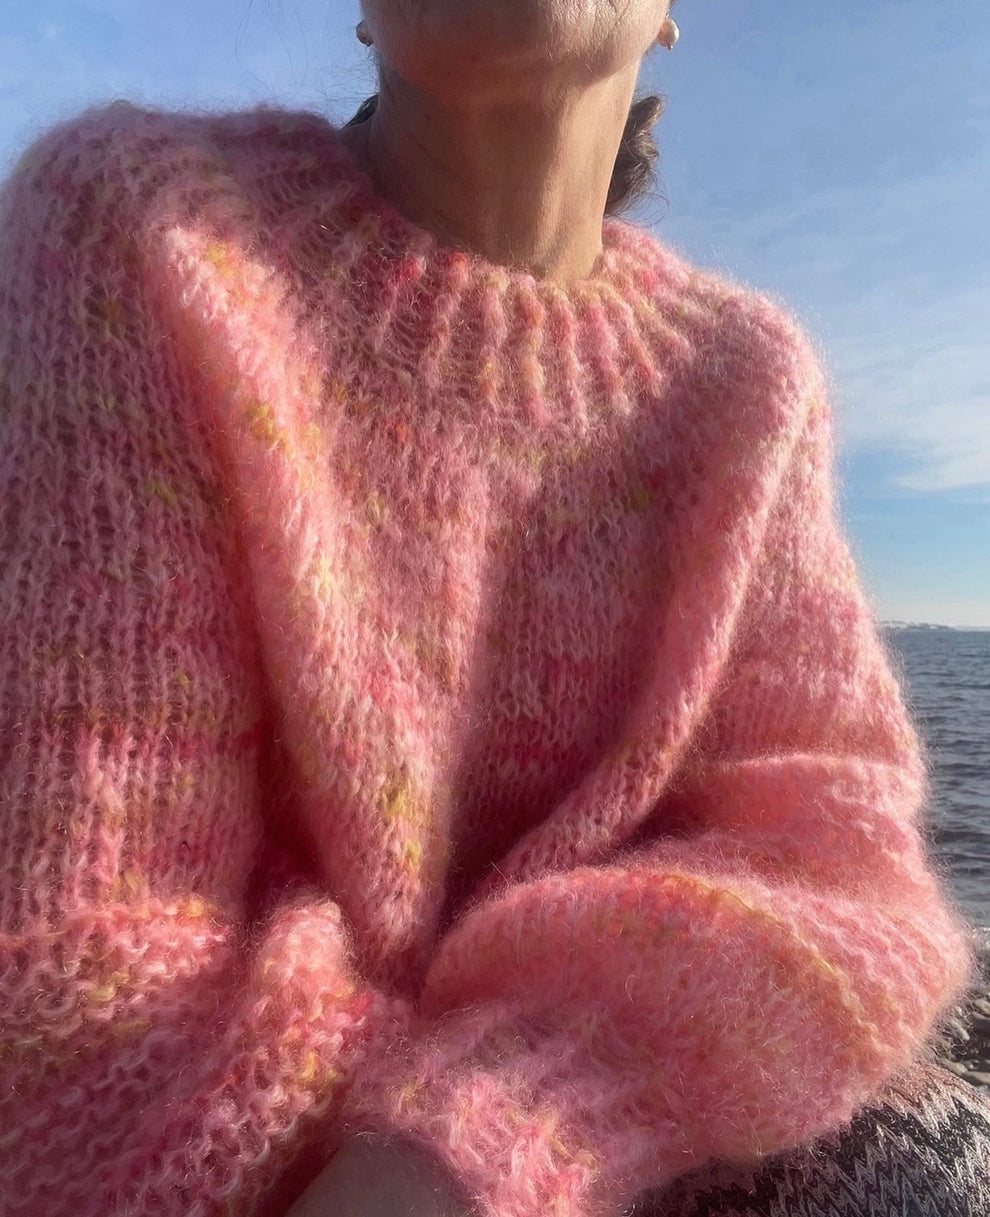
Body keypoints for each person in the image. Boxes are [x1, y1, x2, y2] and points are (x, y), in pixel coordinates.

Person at [1, 2, 988, 1215]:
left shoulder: (748, 385)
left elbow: (839, 869)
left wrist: (487, 1125)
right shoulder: (145, 232)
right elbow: (77, 986)